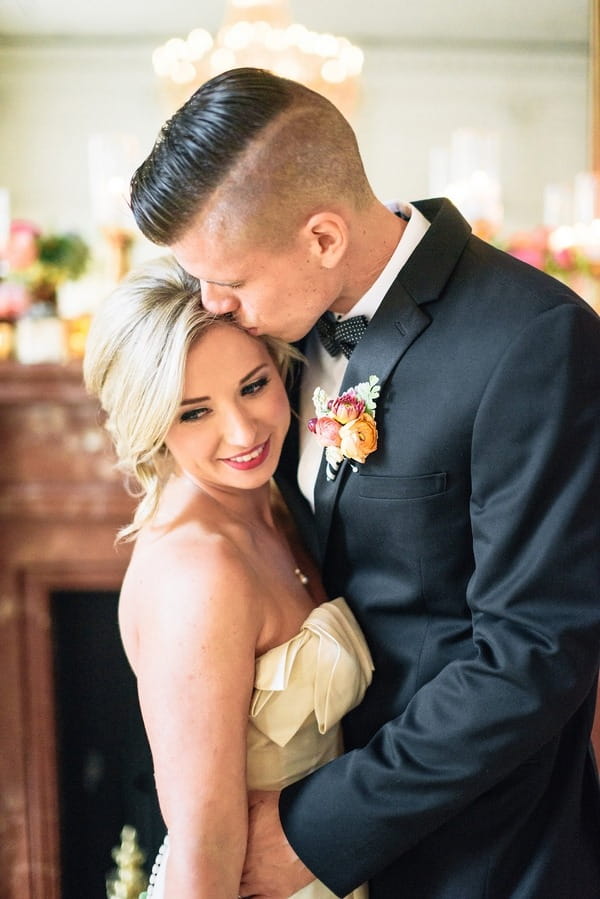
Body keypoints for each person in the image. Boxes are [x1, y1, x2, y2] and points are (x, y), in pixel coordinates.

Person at [129, 68, 600, 898]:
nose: (212, 305)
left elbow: (534, 652)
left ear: (321, 238)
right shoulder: (267, 346)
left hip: (481, 854)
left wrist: (316, 830)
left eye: (228, 281)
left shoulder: (534, 340)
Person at [83, 255, 373, 899]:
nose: (243, 432)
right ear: (151, 423)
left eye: (251, 386)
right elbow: (204, 847)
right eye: (193, 412)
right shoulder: (198, 573)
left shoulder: (269, 502)